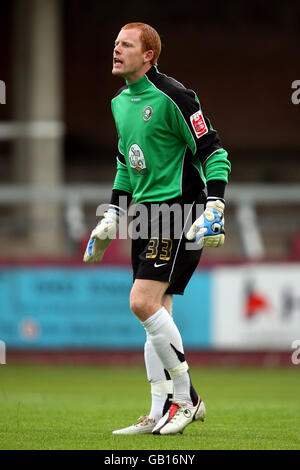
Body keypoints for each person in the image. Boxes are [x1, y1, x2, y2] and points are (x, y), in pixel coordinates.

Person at [84, 22, 231, 435]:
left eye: (126, 45)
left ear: (148, 55)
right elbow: (124, 165)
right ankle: (159, 411)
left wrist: (215, 205)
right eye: (115, 43)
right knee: (157, 312)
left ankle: (188, 399)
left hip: (179, 211)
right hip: (144, 216)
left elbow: (214, 151)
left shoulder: (175, 96)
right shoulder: (119, 103)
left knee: (141, 302)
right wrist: (113, 215)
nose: (116, 50)